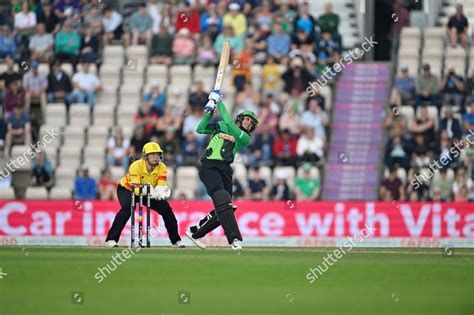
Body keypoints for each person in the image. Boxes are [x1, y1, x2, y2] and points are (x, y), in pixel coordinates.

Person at [185, 90, 259, 251]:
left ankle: (195, 232)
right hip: (209, 166)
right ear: (241, 118)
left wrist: (219, 103)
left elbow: (230, 125)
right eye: (247, 119)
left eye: (251, 123)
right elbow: (200, 129)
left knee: (225, 207)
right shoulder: (222, 125)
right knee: (222, 199)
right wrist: (209, 113)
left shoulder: (244, 137)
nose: (248, 123)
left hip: (225, 169)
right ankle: (235, 239)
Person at [105, 142, 184, 248]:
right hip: (127, 189)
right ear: (145, 156)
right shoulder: (135, 166)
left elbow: (161, 185)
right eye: (153, 154)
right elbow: (136, 190)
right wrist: (151, 191)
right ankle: (111, 240)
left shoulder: (162, 167)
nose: (156, 157)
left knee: (167, 210)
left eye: (158, 154)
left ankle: (176, 241)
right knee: (127, 209)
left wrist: (160, 192)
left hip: (148, 191)